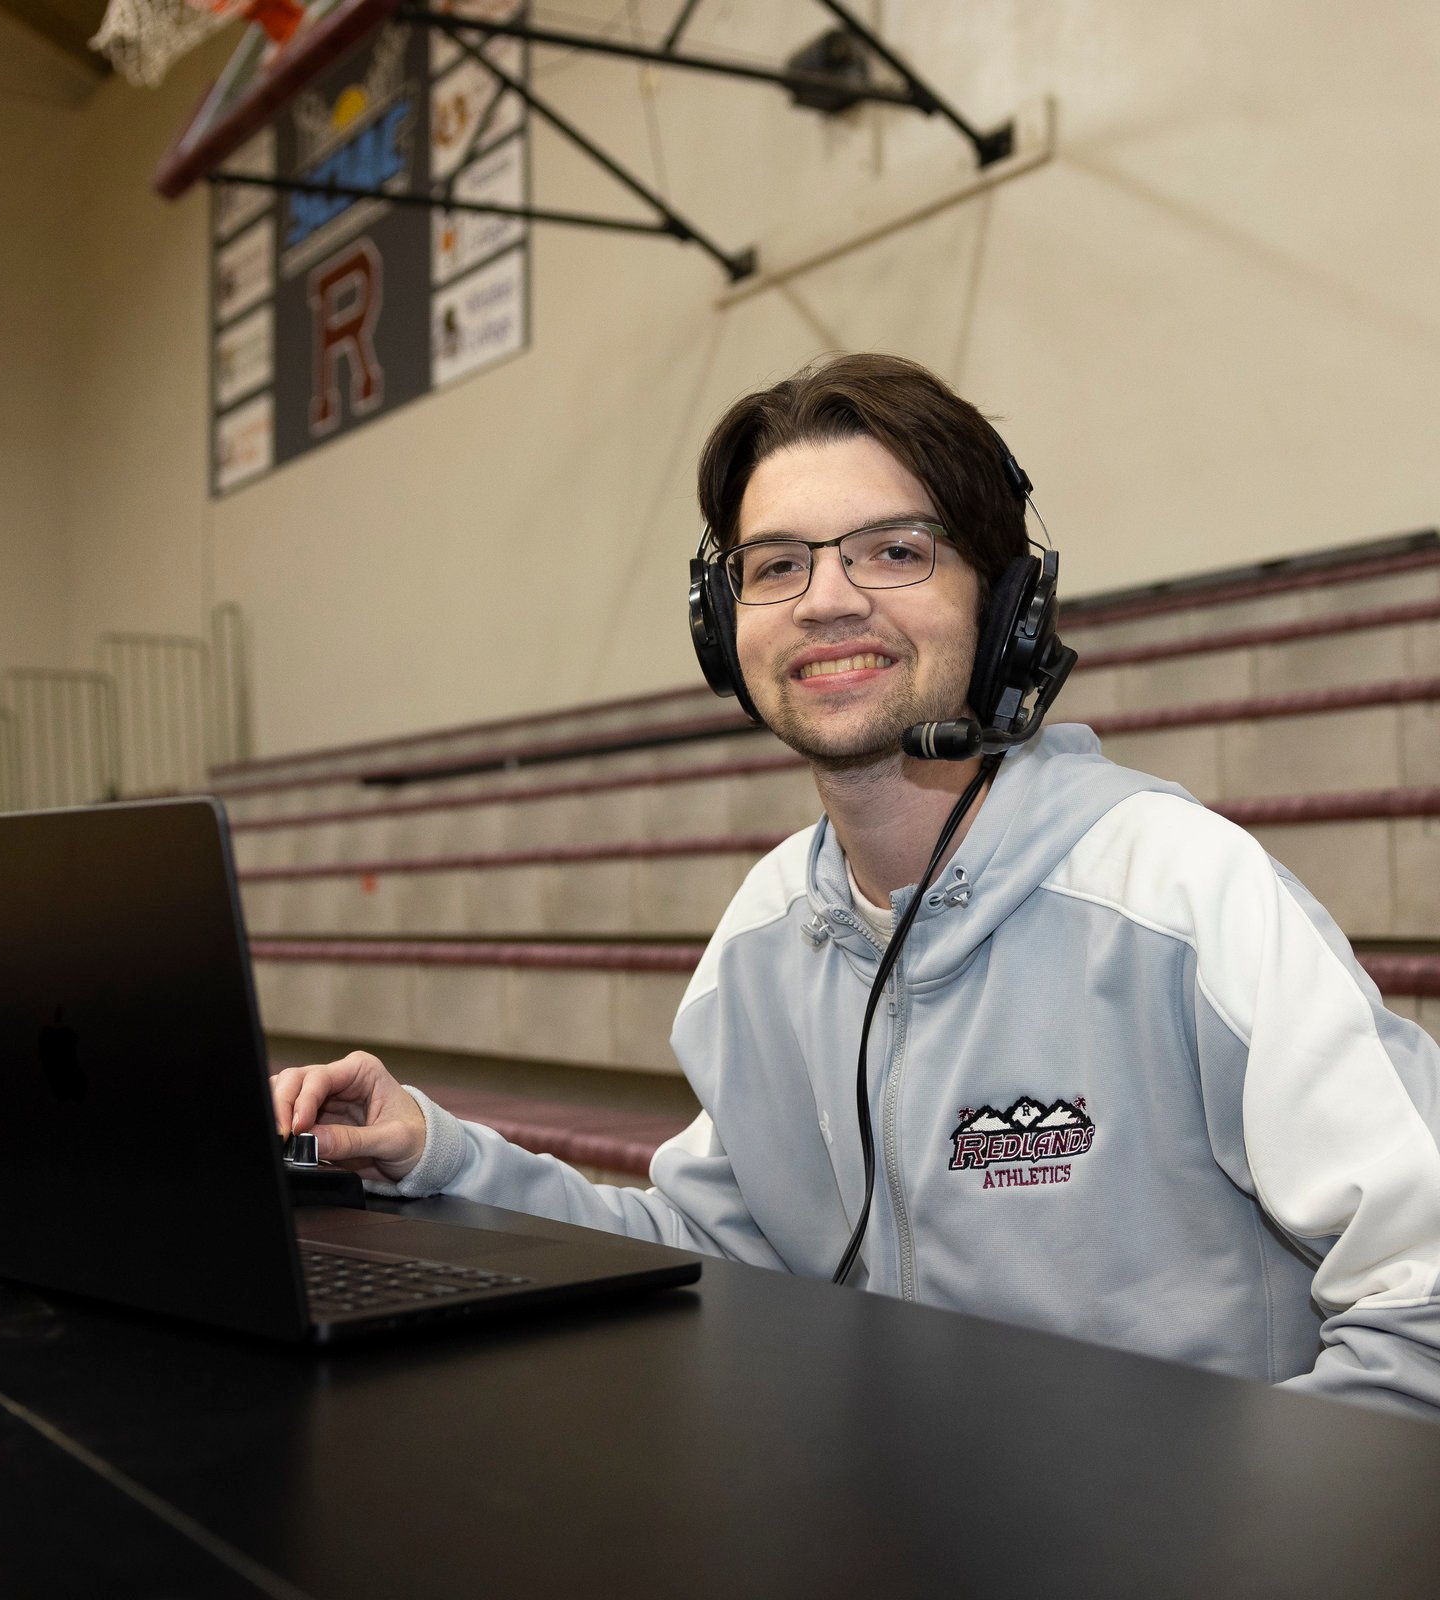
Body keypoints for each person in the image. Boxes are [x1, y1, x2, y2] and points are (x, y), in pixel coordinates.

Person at [273, 354, 1440, 1418]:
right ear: (723, 627)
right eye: (777, 565)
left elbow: (1420, 1301)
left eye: (893, 551)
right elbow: (709, 1250)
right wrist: (440, 1154)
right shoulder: (767, 934)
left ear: (1005, 607)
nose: (827, 599)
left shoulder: (1181, 891)